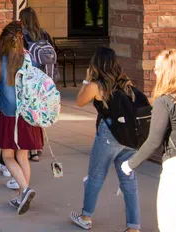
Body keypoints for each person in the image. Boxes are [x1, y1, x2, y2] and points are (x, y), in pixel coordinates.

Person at [69, 47, 141, 232]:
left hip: (109, 136)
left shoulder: (96, 86)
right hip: (129, 138)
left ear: (96, 64)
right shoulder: (125, 82)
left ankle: (86, 217)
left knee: (96, 177)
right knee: (129, 182)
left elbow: (79, 101)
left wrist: (86, 79)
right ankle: (133, 227)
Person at [0, 22, 42, 215]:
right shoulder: (28, 58)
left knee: (8, 156)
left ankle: (25, 190)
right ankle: (21, 197)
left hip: (9, 115)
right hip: (27, 114)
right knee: (22, 155)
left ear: (3, 40)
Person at [122, 49, 176, 231]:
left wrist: (130, 164)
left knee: (169, 222)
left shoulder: (165, 101)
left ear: (168, 72)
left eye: (158, 68)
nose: (154, 72)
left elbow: (153, 141)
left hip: (173, 167)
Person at [19, 6, 53, 162]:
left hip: (29, 79)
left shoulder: (22, 36)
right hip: (44, 79)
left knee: (28, 113)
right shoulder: (44, 33)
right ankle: (38, 147)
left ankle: (30, 149)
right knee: (39, 112)